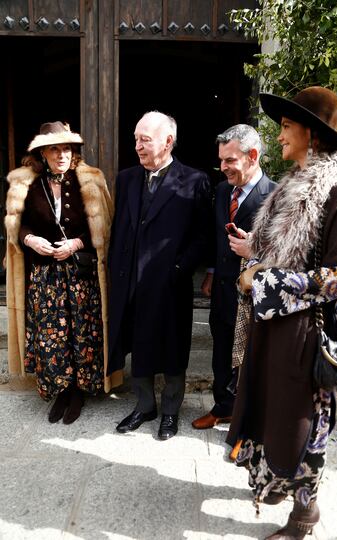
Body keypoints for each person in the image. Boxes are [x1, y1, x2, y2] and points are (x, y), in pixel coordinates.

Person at [227, 87, 337, 539]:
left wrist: (266, 282)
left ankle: (305, 516)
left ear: (313, 134)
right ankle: (276, 488)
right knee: (273, 416)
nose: (278, 135)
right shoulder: (289, 185)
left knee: (306, 424)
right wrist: (255, 260)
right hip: (274, 329)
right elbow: (280, 254)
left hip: (308, 336)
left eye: (286, 127)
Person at [5, 121, 122, 424]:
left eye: (66, 148)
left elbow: (104, 228)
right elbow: (16, 225)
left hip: (80, 275)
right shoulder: (27, 185)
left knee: (81, 333)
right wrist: (30, 239)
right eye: (54, 149)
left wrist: (76, 243)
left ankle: (79, 393)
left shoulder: (89, 182)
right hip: (45, 277)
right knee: (51, 337)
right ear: (43, 153)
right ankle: (62, 390)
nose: (62, 155)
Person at [108, 111, 211, 440]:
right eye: (136, 139)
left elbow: (203, 235)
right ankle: (144, 406)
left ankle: (170, 411)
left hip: (170, 284)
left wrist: (179, 269)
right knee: (138, 346)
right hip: (131, 282)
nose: (137, 146)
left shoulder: (195, 180)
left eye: (145, 139)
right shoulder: (126, 179)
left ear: (168, 142)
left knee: (172, 348)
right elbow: (119, 229)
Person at [192, 125, 276, 431]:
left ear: (252, 156)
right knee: (221, 353)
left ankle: (248, 424)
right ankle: (222, 408)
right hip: (222, 291)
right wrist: (212, 273)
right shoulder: (223, 191)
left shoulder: (277, 196)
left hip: (254, 297)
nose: (223, 167)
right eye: (221, 161)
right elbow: (218, 238)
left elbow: (292, 254)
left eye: (230, 160)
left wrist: (255, 248)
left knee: (251, 360)